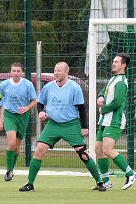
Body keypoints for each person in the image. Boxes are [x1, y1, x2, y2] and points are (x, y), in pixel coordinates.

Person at [19, 62, 106, 192]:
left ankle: (99, 182)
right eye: (55, 70)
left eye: (59, 70)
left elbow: (81, 108)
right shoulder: (48, 87)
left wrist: (84, 127)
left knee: (83, 154)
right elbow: (40, 103)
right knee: (39, 151)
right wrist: (41, 112)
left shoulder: (74, 87)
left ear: (66, 72)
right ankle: (30, 184)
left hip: (71, 125)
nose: (56, 73)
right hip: (53, 124)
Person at [94, 53, 136, 190]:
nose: (113, 63)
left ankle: (131, 174)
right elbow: (104, 90)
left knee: (107, 149)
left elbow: (118, 102)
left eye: (117, 62)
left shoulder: (121, 82)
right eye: (113, 61)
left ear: (124, 65)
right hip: (105, 120)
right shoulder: (114, 79)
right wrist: (101, 96)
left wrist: (104, 108)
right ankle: (106, 181)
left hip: (114, 121)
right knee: (98, 149)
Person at [0, 62, 37, 181]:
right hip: (9, 116)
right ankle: (8, 171)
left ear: (21, 73)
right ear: (10, 72)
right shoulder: (4, 85)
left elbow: (35, 101)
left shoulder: (28, 85)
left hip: (23, 117)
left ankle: (11, 169)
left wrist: (26, 108)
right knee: (11, 143)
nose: (15, 73)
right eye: (13, 71)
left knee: (16, 146)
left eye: (18, 71)